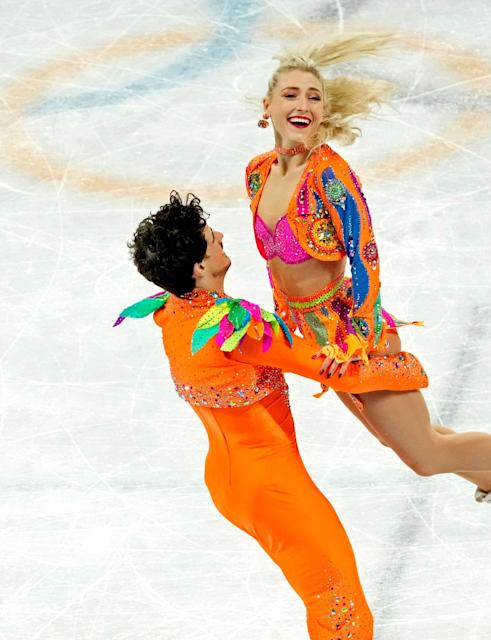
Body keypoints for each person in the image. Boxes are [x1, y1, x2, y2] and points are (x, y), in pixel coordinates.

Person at [245, 34, 491, 550]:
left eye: (314, 97)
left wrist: (358, 338)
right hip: (313, 337)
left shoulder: (330, 175)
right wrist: (284, 326)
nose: (303, 105)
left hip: (351, 331)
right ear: (267, 105)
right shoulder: (256, 174)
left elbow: (364, 257)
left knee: (424, 454)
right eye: (291, 94)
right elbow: (276, 267)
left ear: (323, 112)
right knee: (402, 437)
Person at [117, 192, 429, 639]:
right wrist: (406, 366)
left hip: (234, 480)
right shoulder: (234, 328)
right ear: (198, 268)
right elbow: (336, 372)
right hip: (271, 488)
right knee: (340, 606)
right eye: (210, 239)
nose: (221, 235)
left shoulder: (172, 310)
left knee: (331, 601)